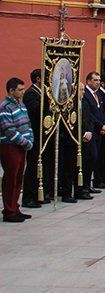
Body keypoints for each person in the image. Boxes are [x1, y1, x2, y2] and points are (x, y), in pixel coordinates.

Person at [1, 77, 34, 222]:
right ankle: (9, 211)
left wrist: (30, 139)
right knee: (11, 178)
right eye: (20, 90)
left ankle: (15, 207)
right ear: (11, 90)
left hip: (22, 146)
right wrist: (25, 142)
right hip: (10, 146)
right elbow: (9, 129)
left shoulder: (21, 105)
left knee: (19, 177)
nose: (22, 92)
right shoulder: (5, 107)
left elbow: (27, 124)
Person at [22, 69, 50, 208]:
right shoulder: (31, 94)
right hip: (35, 134)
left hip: (43, 135)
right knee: (33, 166)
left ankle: (38, 194)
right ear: (39, 79)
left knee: (41, 166)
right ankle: (28, 197)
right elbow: (38, 111)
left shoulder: (41, 92)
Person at [82, 72, 105, 195]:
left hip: (99, 131)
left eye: (99, 80)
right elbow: (89, 115)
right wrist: (100, 125)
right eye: (95, 80)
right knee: (90, 158)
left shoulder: (98, 94)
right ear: (88, 81)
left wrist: (104, 125)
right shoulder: (85, 95)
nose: (98, 82)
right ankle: (85, 185)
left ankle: (91, 183)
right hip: (90, 131)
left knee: (96, 157)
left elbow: (101, 111)